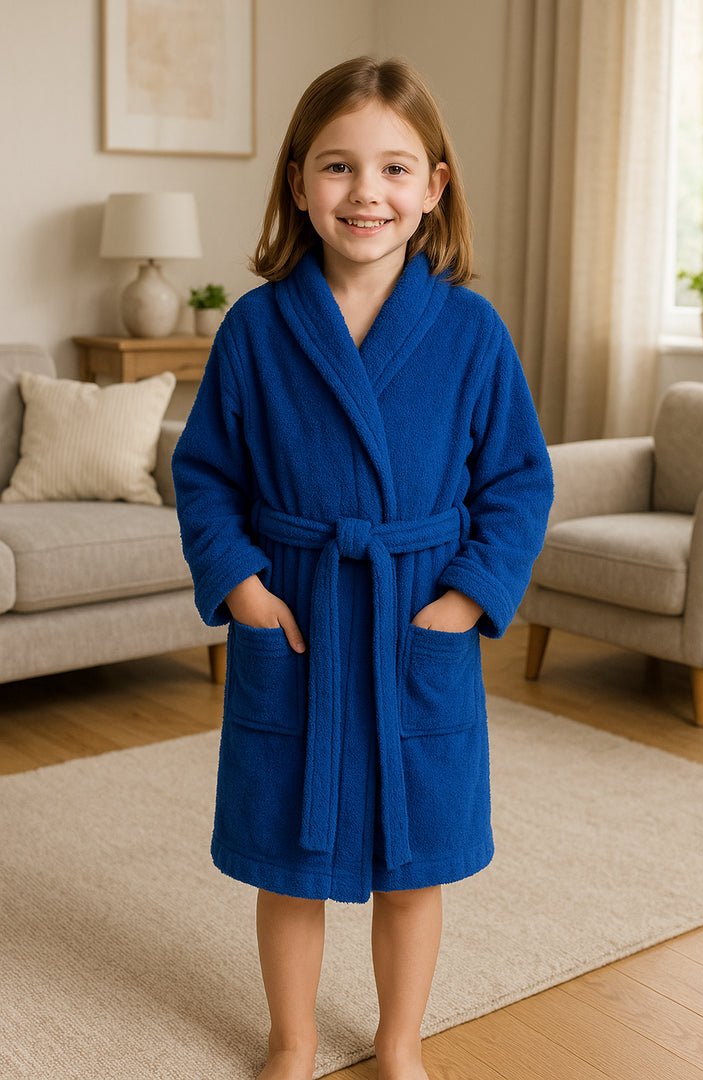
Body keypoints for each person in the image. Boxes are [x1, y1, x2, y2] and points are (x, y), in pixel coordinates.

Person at [172, 55, 553, 1080]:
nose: (365, 192)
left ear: (434, 187)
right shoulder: (256, 329)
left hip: (415, 615)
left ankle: (398, 1043)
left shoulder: (471, 332)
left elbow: (518, 481)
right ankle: (291, 1041)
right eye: (338, 166)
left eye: (394, 168)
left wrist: (466, 599)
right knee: (287, 857)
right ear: (299, 182)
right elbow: (204, 474)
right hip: (296, 616)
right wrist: (244, 588)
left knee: (414, 860)